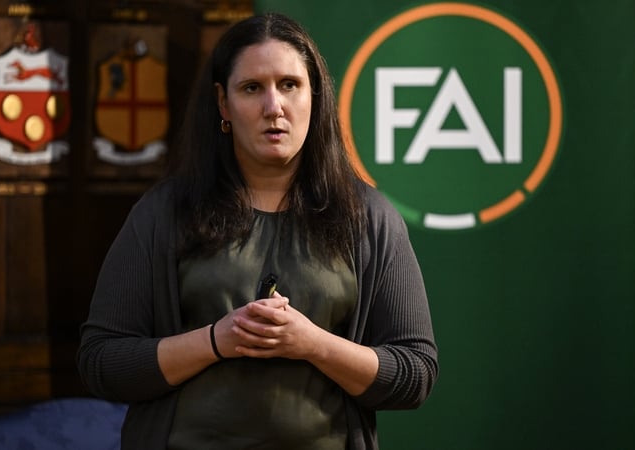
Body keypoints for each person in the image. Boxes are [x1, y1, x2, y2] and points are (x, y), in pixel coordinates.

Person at [77, 12, 438, 450]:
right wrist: (217, 340)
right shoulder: (163, 212)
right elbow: (101, 363)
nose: (274, 107)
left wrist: (311, 343)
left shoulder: (369, 217)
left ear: (316, 96)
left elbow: (414, 375)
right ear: (223, 104)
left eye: (290, 85)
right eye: (252, 88)